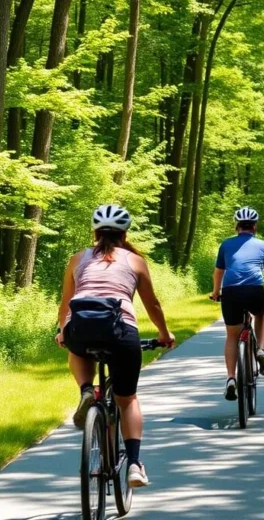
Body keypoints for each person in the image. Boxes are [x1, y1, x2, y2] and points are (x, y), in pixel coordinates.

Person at [56, 204, 175, 488]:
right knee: (127, 398)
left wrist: (63, 331)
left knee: (76, 347)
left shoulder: (77, 258)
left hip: (81, 328)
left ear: (95, 232)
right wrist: (164, 334)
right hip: (121, 331)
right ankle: (134, 463)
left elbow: (65, 302)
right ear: (125, 233)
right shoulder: (135, 261)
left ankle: (86, 391)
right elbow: (152, 304)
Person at [210, 206, 264, 401]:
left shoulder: (226, 244)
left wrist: (215, 292)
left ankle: (230, 379)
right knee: (262, 313)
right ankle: (260, 349)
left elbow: (219, 271)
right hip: (254, 290)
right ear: (255, 226)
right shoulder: (262, 245)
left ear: (237, 226)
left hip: (231, 292)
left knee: (231, 335)